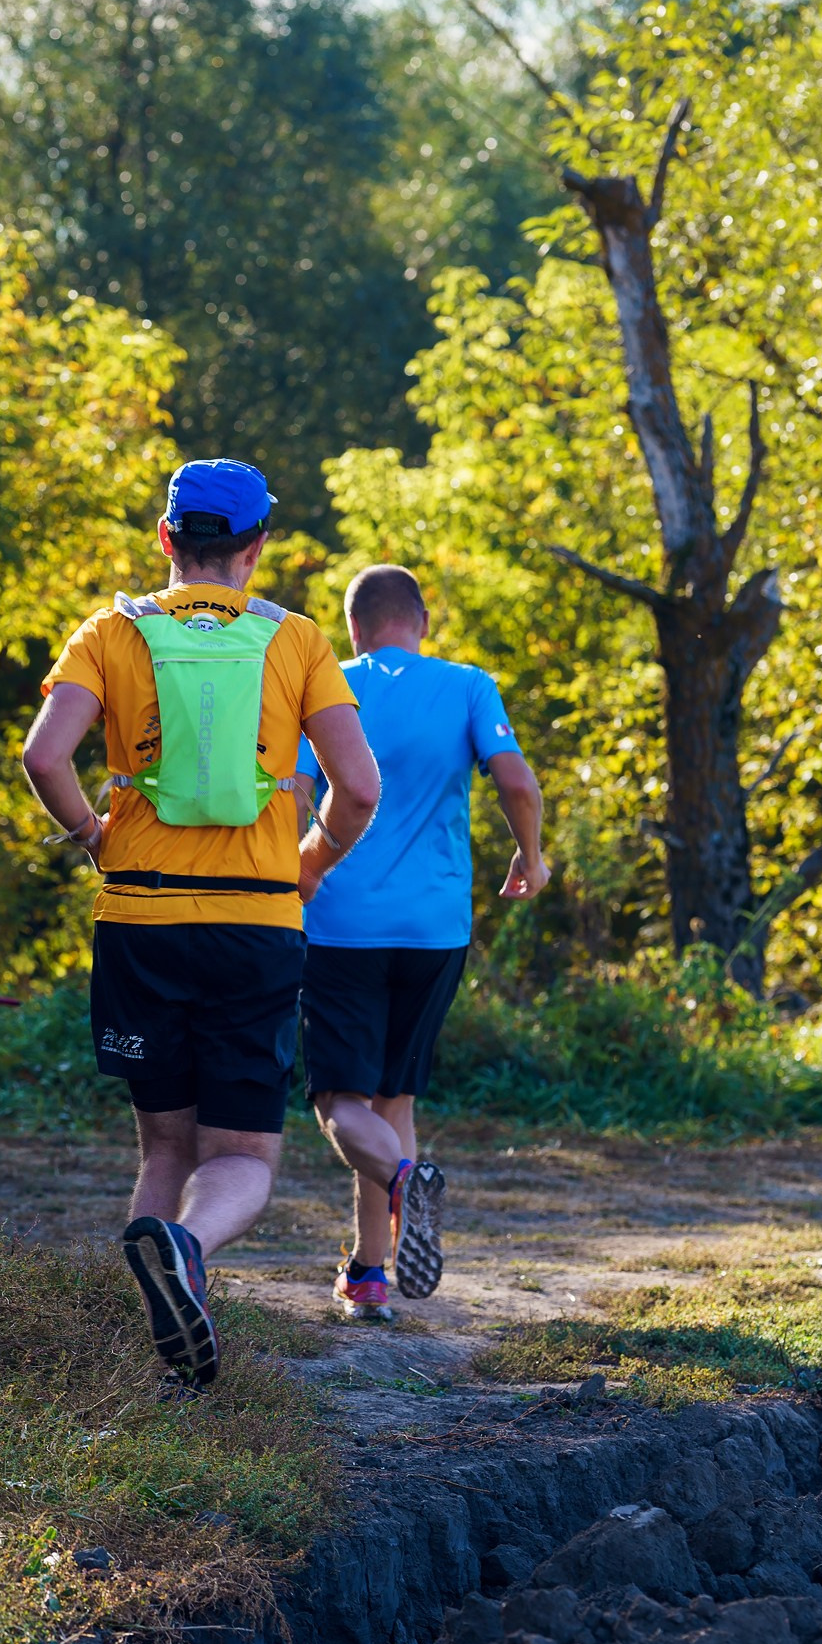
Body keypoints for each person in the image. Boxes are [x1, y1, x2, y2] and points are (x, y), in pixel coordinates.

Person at [21, 460, 381, 1386]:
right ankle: (187, 1248)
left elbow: (44, 756)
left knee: (165, 1146)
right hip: (255, 925)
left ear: (166, 540)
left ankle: (147, 1339)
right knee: (244, 1155)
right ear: (256, 548)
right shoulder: (296, 639)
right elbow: (359, 788)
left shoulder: (111, 632)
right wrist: (311, 861)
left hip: (139, 919)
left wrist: (92, 837)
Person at [297, 564, 548, 1323]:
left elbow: (297, 795)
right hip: (436, 930)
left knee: (340, 1101)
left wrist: (293, 875)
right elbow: (518, 784)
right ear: (422, 622)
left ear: (353, 628)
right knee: (393, 1098)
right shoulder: (469, 685)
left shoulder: (327, 686)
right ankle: (369, 1273)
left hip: (340, 924)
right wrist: (531, 857)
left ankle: (405, 1184)